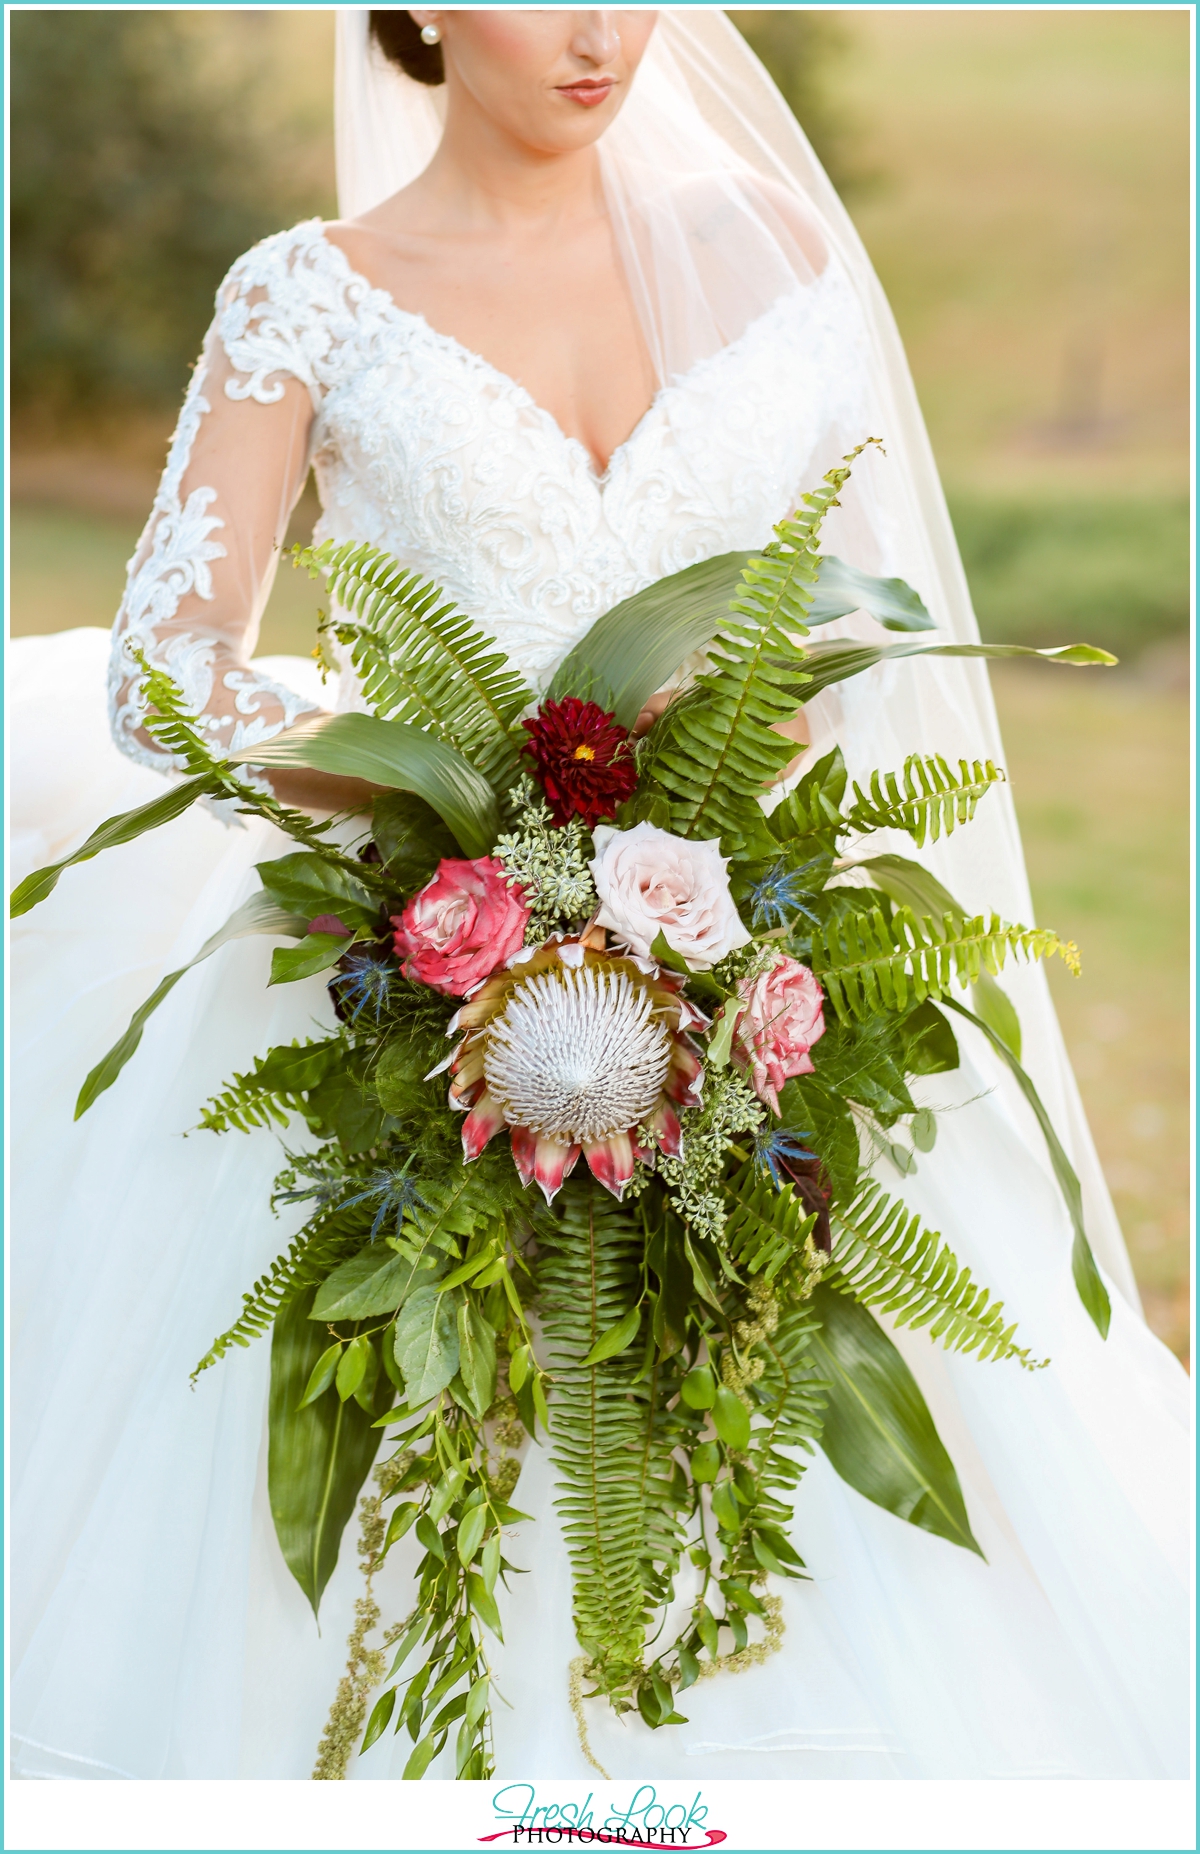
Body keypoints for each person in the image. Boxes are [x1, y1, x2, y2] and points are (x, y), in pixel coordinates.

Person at [10, 9, 1188, 1782]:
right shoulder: (307, 293)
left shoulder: (776, 256)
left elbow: (861, 619)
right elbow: (168, 676)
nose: (598, 28)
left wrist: (712, 838)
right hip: (398, 983)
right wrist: (455, 802)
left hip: (738, 975)